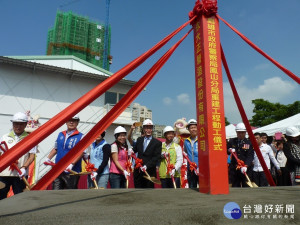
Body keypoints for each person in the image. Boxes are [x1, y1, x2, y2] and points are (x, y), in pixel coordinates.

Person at [0, 112, 37, 200]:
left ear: (25, 125)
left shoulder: (30, 138)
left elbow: (32, 156)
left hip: (20, 174)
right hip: (4, 173)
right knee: (1, 197)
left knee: (19, 198)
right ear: (12, 124)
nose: (18, 126)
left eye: (21, 124)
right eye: (16, 124)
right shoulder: (4, 137)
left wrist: (24, 167)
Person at [45, 114, 83, 190]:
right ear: (66, 121)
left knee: (70, 194)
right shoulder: (60, 134)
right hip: (58, 169)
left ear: (77, 122)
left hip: (72, 171)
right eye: (69, 120)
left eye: (74, 121)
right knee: (56, 192)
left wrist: (72, 164)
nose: (71, 122)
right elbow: (56, 148)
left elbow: (81, 152)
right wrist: (48, 158)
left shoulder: (81, 136)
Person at [133, 119, 162, 188]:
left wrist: (146, 166)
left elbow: (156, 157)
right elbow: (135, 149)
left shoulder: (157, 143)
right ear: (143, 129)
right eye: (146, 127)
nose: (148, 130)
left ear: (152, 129)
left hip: (150, 173)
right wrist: (131, 150)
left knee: (148, 193)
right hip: (138, 172)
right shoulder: (139, 140)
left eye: (150, 128)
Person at [227, 122, 254, 187]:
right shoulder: (232, 141)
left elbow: (250, 156)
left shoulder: (249, 143)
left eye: (242, 132)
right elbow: (226, 150)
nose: (240, 134)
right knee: (235, 186)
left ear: (245, 132)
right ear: (236, 132)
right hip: (235, 168)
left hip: (245, 168)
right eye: (239, 132)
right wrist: (229, 150)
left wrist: (246, 166)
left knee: (246, 186)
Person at [184, 119, 199, 188]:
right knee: (192, 188)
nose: (193, 129)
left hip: (200, 168)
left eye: (194, 127)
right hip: (191, 169)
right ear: (189, 130)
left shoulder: (202, 139)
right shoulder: (186, 141)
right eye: (191, 128)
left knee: (203, 187)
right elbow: (186, 152)